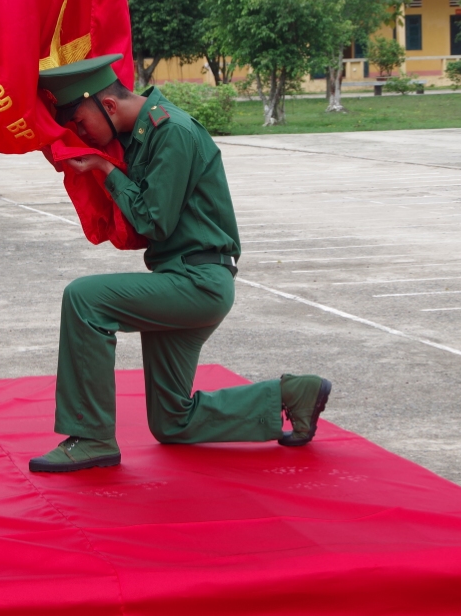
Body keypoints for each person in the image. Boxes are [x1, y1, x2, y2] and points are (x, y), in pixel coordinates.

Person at [27, 54, 329, 474]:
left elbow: (155, 220)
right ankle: (291, 395)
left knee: (84, 299)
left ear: (108, 106)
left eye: (80, 123)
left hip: (200, 282)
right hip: (179, 278)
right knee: (172, 420)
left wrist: (105, 170)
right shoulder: (142, 136)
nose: (81, 134)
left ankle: (91, 436)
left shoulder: (172, 131)